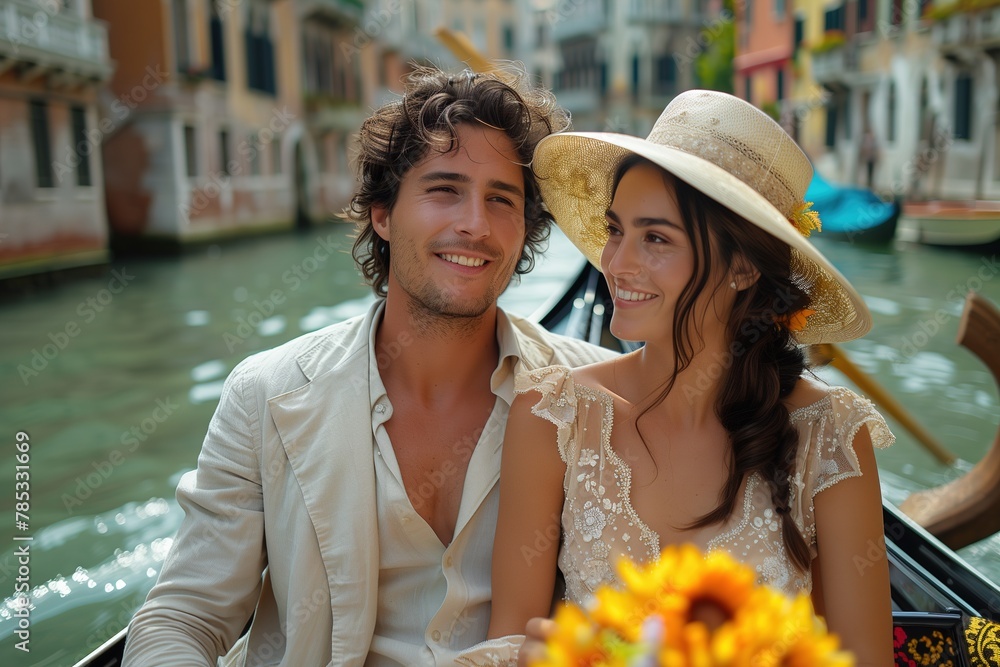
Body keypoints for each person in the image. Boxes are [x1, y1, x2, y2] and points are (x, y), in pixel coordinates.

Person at [121, 65, 615, 667]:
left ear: (526, 231)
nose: (475, 224)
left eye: (502, 201)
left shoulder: (600, 394)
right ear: (382, 215)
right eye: (444, 190)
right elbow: (185, 616)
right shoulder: (264, 393)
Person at [483, 90, 894, 666]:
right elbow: (509, 647)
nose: (617, 263)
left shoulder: (832, 437)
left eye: (655, 238)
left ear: (744, 265)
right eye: (616, 230)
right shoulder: (554, 416)